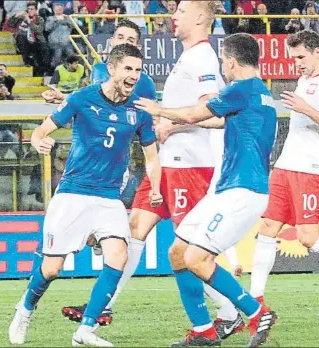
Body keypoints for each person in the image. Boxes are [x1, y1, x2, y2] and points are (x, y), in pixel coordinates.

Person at [62, 2, 244, 338]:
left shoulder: (202, 57)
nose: (172, 16)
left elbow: (219, 115)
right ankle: (104, 306)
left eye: (181, 11)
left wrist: (169, 125)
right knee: (134, 228)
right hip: (168, 164)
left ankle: (230, 310)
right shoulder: (188, 56)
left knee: (187, 251)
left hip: (190, 166)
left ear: (201, 17)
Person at [8, 43, 162, 347]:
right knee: (51, 269)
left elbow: (152, 157)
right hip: (73, 193)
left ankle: (86, 330)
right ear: (112, 68)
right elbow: (41, 131)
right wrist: (38, 141)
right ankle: (25, 309)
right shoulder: (81, 99)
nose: (134, 75)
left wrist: (156, 186)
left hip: (108, 197)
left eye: (138, 70)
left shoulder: (139, 111)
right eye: (128, 69)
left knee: (119, 256)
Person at [135, 32, 278, 347]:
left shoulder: (241, 89)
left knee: (198, 259)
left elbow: (191, 113)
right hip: (231, 189)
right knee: (178, 253)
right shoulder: (261, 94)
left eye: (223, 61)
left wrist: (157, 109)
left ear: (230, 61)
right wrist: (181, 124)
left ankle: (255, 313)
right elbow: (216, 122)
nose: (222, 68)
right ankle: (204, 331)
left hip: (242, 191)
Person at [250, 30, 319, 308]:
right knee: (266, 227)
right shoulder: (304, 81)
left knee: (306, 238)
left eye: (301, 57)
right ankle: (254, 302)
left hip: (310, 169)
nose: (297, 63)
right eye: (294, 58)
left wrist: (306, 109)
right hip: (286, 166)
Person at [42, 19, 156, 104]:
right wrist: (63, 98)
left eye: (130, 40)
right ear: (111, 41)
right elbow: (94, 101)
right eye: (120, 38)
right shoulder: (98, 70)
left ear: (138, 47)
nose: (124, 43)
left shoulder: (145, 82)